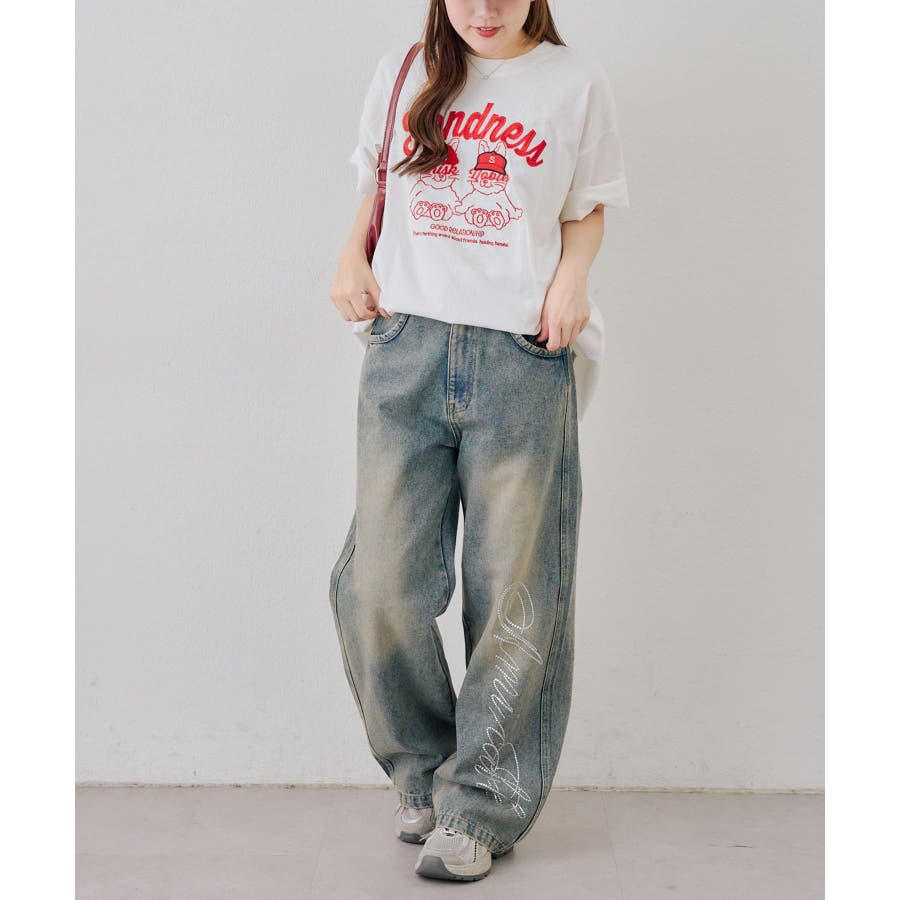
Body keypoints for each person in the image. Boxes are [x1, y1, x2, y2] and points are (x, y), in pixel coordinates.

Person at [327, 0, 629, 883]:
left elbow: (586, 205)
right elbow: (377, 186)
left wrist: (572, 281)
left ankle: (482, 806)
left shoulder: (574, 82)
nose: (484, 10)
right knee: (379, 586)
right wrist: (349, 257)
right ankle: (426, 774)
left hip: (519, 355)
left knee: (513, 594)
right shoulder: (403, 72)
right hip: (405, 347)